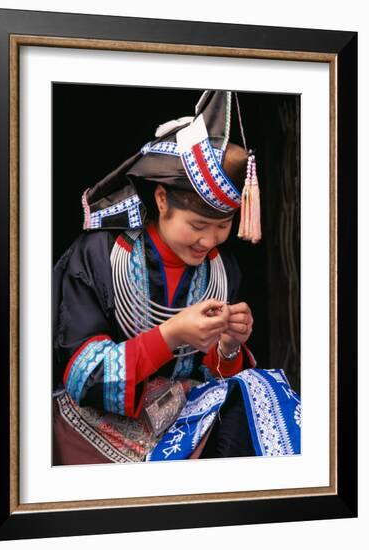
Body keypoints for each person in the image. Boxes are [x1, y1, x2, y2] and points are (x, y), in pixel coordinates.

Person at [53, 90, 300, 465]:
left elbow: (211, 376)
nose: (210, 240)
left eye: (224, 225)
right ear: (163, 199)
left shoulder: (222, 268)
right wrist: (170, 336)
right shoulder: (98, 255)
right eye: (198, 224)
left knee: (261, 391)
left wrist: (229, 347)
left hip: (183, 417)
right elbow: (82, 377)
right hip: (97, 427)